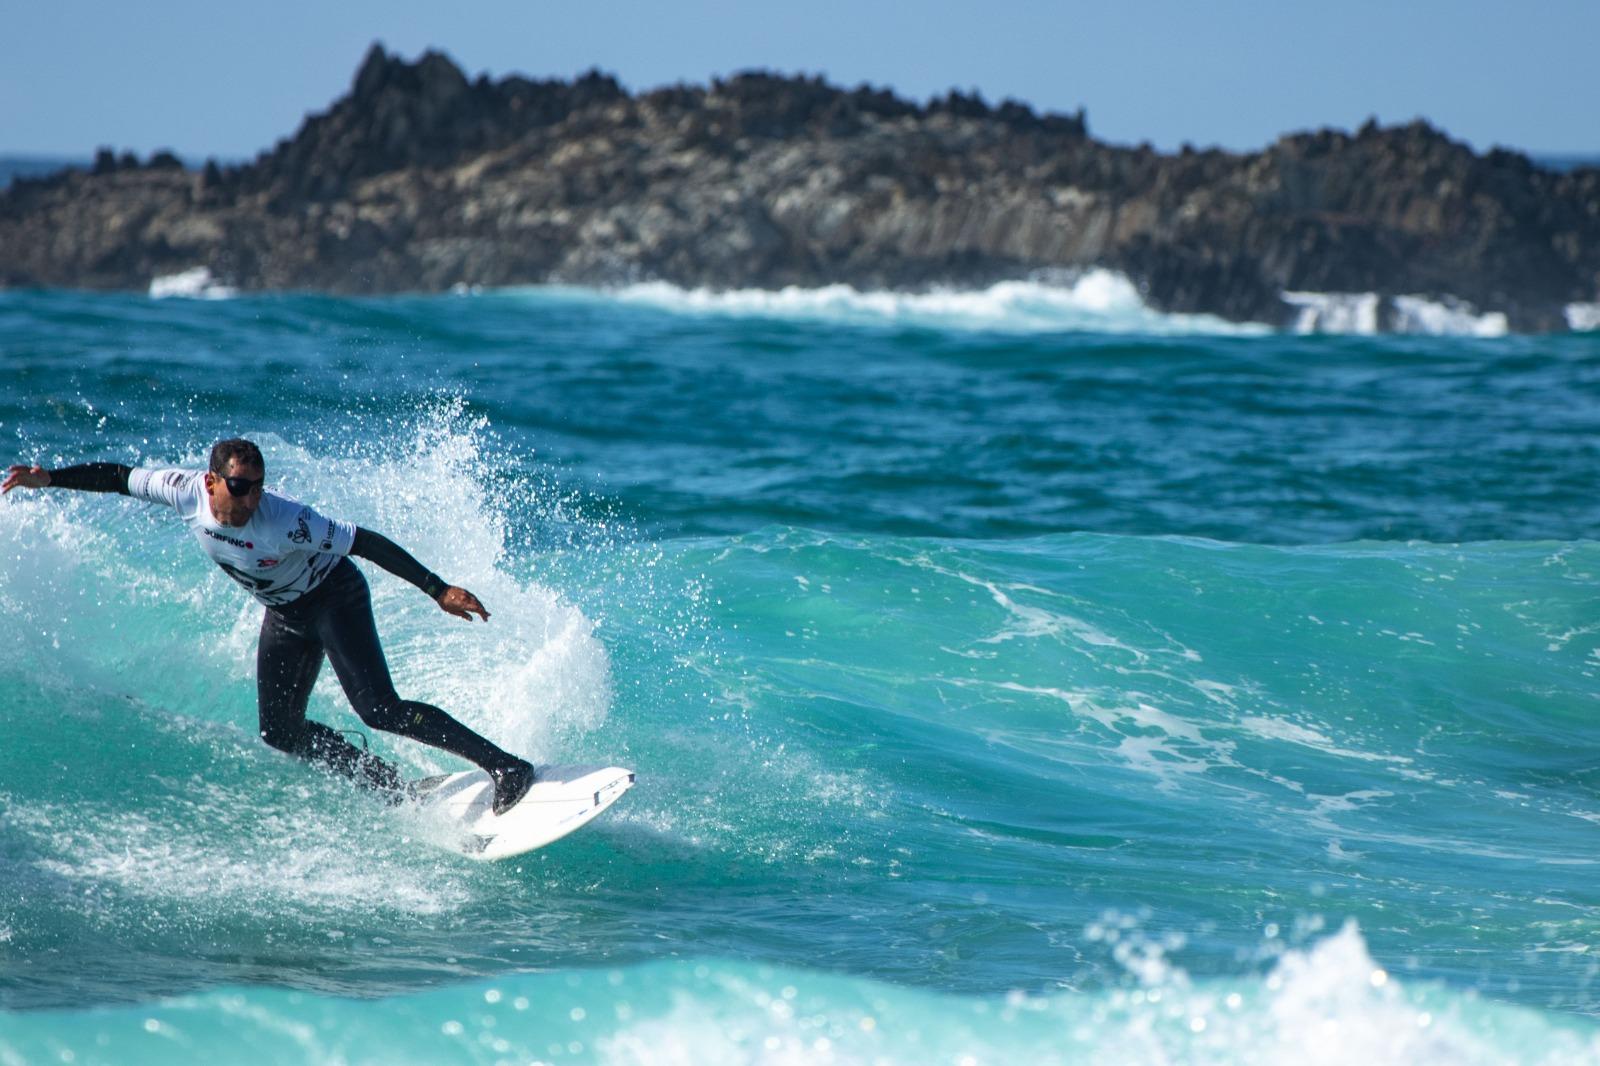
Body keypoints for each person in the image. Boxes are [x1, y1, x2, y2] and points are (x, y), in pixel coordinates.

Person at [3, 438, 535, 814]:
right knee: (279, 731)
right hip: (285, 614)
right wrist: (50, 479)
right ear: (211, 481)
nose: (251, 499)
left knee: (379, 709)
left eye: (257, 487)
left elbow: (364, 542)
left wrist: (436, 588)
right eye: (240, 487)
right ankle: (393, 787)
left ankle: (506, 767)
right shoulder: (181, 490)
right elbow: (119, 478)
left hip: (333, 599)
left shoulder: (287, 519)